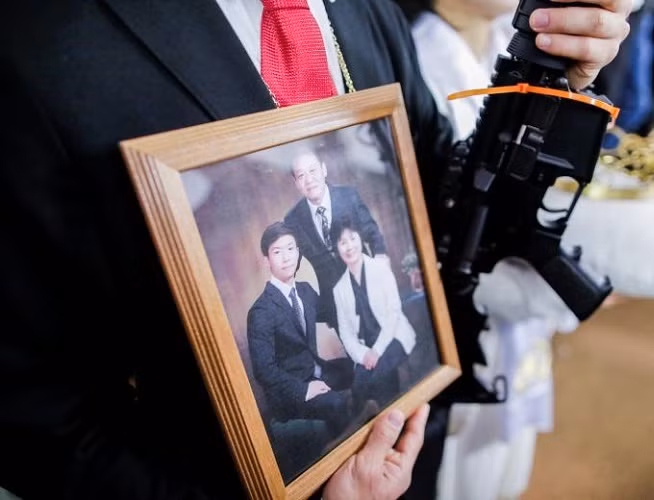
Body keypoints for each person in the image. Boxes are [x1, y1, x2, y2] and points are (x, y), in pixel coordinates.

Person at [0, 0, 630, 499]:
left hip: (410, 429)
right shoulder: (36, 44)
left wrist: (550, 80)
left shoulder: (364, 7)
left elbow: (442, 190)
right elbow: (36, 415)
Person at [392, 1, 617, 499]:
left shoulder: (505, 44)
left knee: (506, 475)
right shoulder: (414, 52)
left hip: (521, 346)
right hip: (461, 344)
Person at [247, 222, 361, 479]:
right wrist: (304, 389)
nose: (287, 257)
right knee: (336, 403)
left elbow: (332, 314)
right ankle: (345, 466)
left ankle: (362, 435)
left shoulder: (306, 291)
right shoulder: (261, 311)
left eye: (291, 249)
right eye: (278, 252)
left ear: (299, 252)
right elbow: (263, 370)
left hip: (315, 370)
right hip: (290, 392)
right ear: (266, 260)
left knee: (362, 372)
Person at [284, 150, 387, 329]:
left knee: (387, 340)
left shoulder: (348, 196)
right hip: (334, 304)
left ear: (324, 170)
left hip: (368, 287)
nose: (309, 180)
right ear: (296, 183)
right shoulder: (292, 219)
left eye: (313, 171)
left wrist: (380, 260)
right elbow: (293, 263)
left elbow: (371, 232)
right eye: (301, 175)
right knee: (353, 346)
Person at [331, 216, 417, 411]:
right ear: (337, 248)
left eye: (352, 238)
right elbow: (345, 333)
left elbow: (394, 312)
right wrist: (363, 355)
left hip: (393, 337)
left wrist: (377, 351)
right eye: (342, 242)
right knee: (358, 387)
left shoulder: (380, 269)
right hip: (366, 349)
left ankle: (392, 413)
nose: (349, 246)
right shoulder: (339, 289)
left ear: (360, 239)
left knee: (377, 379)